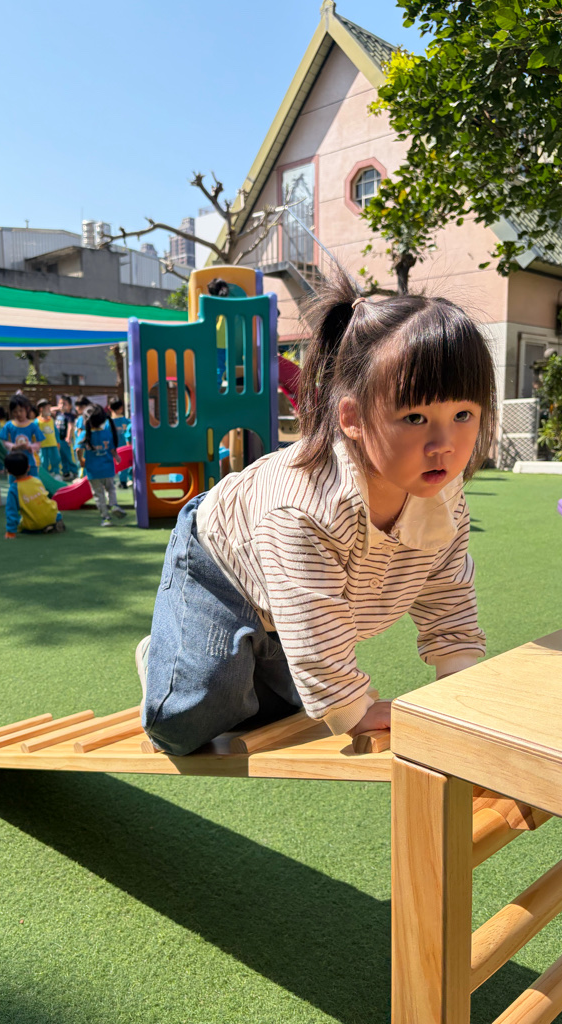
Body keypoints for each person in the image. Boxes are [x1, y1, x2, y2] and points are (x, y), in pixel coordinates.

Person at [136, 273, 496, 757]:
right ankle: (165, 659)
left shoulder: (442, 494)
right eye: (415, 418)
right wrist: (354, 709)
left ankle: (256, 654)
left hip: (289, 597)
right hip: (220, 559)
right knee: (186, 721)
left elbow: (446, 589)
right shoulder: (305, 508)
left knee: (284, 708)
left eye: (463, 415)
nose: (443, 444)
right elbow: (313, 617)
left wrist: (459, 679)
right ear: (352, 419)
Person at [80, 403, 126, 526]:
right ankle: (114, 505)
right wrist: (116, 456)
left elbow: (78, 449)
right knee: (111, 489)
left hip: (93, 471)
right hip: (107, 469)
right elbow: (112, 449)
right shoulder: (107, 433)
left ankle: (106, 518)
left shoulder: (84, 434)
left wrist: (81, 460)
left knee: (98, 494)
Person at [3, 451, 66, 538]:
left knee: (21, 526)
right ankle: (53, 524)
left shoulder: (14, 489)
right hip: (54, 516)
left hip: (34, 523)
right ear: (28, 467)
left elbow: (11, 511)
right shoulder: (37, 480)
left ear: (8, 472)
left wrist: (11, 531)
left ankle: (41, 528)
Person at [0, 394, 44, 478]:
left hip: (30, 461)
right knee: (14, 482)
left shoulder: (33, 426)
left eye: (21, 410)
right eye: (15, 411)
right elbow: (4, 441)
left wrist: (30, 447)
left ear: (27, 409)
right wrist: (13, 447)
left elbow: (38, 442)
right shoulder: (9, 425)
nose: (18, 414)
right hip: (14, 461)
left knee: (33, 481)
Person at [109, 398, 132, 488]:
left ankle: (111, 482)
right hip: (125, 448)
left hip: (112, 448)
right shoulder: (127, 421)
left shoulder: (108, 423)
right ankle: (123, 481)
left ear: (109, 408)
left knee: (111, 464)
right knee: (124, 464)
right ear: (121, 408)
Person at [35, 399, 62, 476]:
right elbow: (35, 435)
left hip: (53, 444)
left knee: (56, 459)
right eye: (48, 408)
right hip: (43, 446)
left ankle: (56, 473)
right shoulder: (37, 421)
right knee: (44, 461)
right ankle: (45, 475)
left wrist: (58, 442)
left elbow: (56, 432)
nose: (50, 410)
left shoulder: (51, 420)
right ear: (41, 409)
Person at [54, 395, 77, 480]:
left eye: (64, 404)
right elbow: (50, 410)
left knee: (68, 456)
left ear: (70, 406)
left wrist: (68, 437)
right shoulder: (58, 414)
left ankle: (74, 471)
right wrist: (58, 407)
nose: (62, 405)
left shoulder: (69, 416)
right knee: (61, 456)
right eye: (60, 403)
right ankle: (65, 472)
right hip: (58, 440)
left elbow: (70, 426)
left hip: (65, 440)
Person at [72, 396, 92, 475]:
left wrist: (78, 446)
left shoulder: (81, 418)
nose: (77, 408)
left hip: (81, 447)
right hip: (88, 446)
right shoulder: (88, 418)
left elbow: (80, 433)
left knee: (82, 465)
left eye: (79, 406)